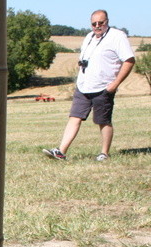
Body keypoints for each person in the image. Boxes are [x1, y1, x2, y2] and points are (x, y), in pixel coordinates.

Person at [43, 9, 135, 162]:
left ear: (107, 21)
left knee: (103, 121)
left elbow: (129, 60)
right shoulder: (89, 37)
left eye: (101, 23)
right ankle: (60, 151)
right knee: (74, 117)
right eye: (94, 24)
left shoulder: (117, 36)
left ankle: (104, 153)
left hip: (103, 86)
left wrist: (115, 83)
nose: (97, 26)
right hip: (84, 85)